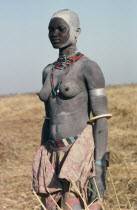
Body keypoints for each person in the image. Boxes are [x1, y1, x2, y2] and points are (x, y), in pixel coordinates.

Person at [32, 9, 111, 210]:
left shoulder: (88, 67)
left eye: (61, 28)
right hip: (51, 153)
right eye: (50, 29)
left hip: (79, 153)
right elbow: (48, 118)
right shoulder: (48, 71)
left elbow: (100, 119)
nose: (54, 34)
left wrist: (100, 169)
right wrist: (42, 157)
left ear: (76, 31)